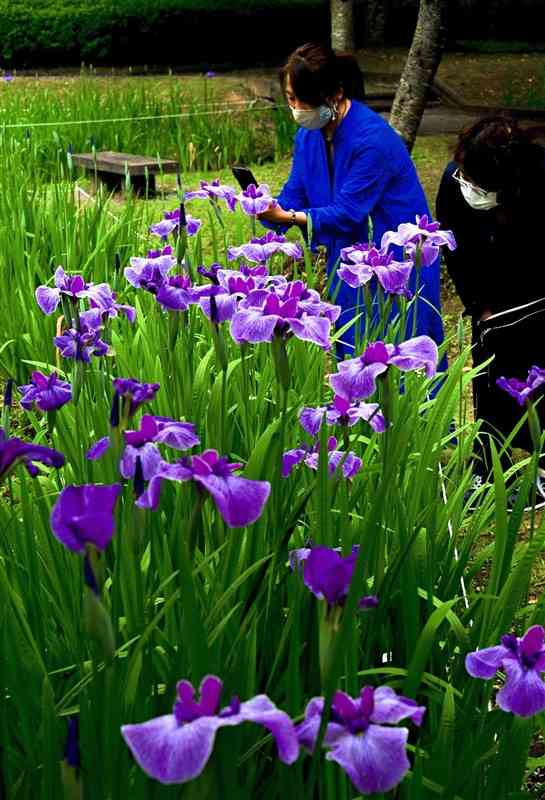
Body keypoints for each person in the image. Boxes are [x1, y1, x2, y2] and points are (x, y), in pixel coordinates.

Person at [258, 42, 446, 359]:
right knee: (355, 352)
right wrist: (264, 206)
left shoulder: (372, 139)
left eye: (306, 99)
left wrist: (287, 218)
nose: (297, 107)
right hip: (348, 260)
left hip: (395, 262)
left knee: (401, 356)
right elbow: (296, 193)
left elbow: (347, 214)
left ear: (335, 93)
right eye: (291, 98)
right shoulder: (309, 135)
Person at [436, 116, 545, 498]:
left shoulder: (536, 182)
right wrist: (478, 306)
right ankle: (489, 465)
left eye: (478, 182)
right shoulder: (455, 182)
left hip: (534, 297)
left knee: (536, 381)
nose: (468, 185)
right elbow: (454, 249)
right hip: (487, 299)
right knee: (488, 379)